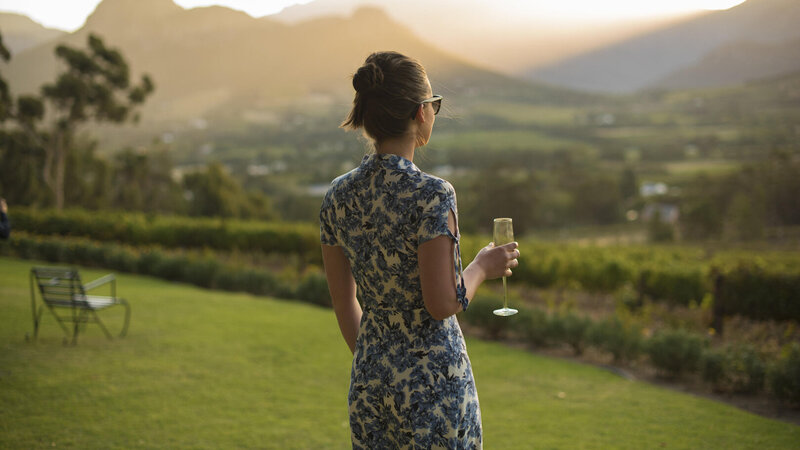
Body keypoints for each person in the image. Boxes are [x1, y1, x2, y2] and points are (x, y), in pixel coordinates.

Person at [319, 51, 520, 449]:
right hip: (434, 387)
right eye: (433, 104)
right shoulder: (432, 195)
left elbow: (345, 305)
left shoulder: (337, 195)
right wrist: (482, 267)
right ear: (420, 113)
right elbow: (442, 303)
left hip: (370, 383)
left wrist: (382, 361)